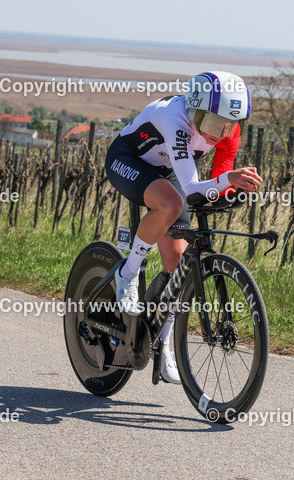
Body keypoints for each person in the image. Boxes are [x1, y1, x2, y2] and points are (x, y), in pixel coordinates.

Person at [103, 71, 262, 384]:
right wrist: (228, 181)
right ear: (196, 110)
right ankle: (129, 272)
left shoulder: (229, 129)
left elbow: (216, 185)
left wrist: (235, 189)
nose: (222, 133)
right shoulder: (176, 119)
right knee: (172, 204)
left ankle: (164, 343)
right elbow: (192, 189)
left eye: (229, 124)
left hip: (169, 171)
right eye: (215, 123)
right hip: (128, 160)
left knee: (178, 266)